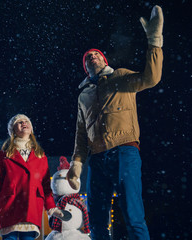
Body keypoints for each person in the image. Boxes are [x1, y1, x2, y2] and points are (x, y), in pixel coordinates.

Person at [66, 5, 164, 240]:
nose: (92, 57)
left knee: (133, 215)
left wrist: (154, 40)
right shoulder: (84, 96)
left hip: (124, 150)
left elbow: (151, 78)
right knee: (97, 220)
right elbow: (81, 134)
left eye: (96, 54)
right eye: (88, 57)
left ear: (104, 59)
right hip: (97, 159)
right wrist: (77, 163)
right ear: (85, 68)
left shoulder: (119, 77)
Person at [0, 114, 63, 240]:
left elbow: (46, 186)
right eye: (19, 122)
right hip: (10, 207)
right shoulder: (3, 155)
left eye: (26, 121)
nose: (23, 123)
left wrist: (51, 207)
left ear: (31, 129)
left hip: (32, 207)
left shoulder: (41, 156)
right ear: (13, 130)